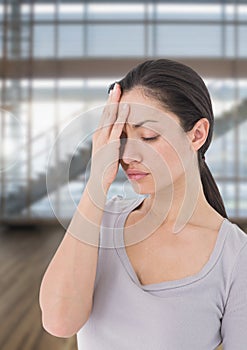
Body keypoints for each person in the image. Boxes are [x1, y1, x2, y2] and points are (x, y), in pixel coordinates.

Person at [39, 59, 247, 349]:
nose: (128, 155)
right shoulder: (101, 221)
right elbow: (59, 322)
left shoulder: (236, 258)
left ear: (197, 135)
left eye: (148, 136)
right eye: (121, 138)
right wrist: (96, 183)